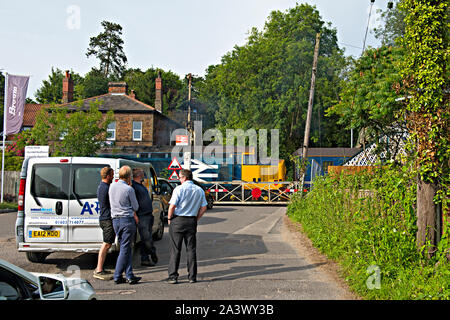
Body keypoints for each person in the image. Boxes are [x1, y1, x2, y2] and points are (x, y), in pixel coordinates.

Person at [167, 169, 207, 284]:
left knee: (175, 249)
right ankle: (192, 276)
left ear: (184, 178)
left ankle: (173, 276)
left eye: (179, 178)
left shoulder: (179, 189)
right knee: (191, 249)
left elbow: (172, 206)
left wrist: (169, 219)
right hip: (191, 221)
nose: (179, 180)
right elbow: (204, 207)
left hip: (178, 221)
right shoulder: (199, 190)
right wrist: (196, 218)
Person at [109, 165, 141, 285]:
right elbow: (136, 206)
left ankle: (129, 275)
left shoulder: (112, 186)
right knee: (125, 249)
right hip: (127, 219)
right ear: (129, 177)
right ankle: (117, 275)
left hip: (115, 220)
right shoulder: (129, 189)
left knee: (125, 248)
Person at [131, 168, 158, 266]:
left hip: (148, 215)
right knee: (146, 238)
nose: (144, 175)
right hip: (141, 215)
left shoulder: (140, 185)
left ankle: (145, 258)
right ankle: (152, 252)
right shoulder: (133, 186)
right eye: (143, 173)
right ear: (138, 175)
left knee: (146, 238)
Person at [93, 166, 115, 281]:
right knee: (106, 244)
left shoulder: (104, 186)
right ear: (107, 176)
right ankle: (99, 269)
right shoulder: (104, 188)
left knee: (108, 244)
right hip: (106, 219)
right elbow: (108, 203)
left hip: (105, 218)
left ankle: (100, 268)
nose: (113, 177)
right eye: (112, 175)